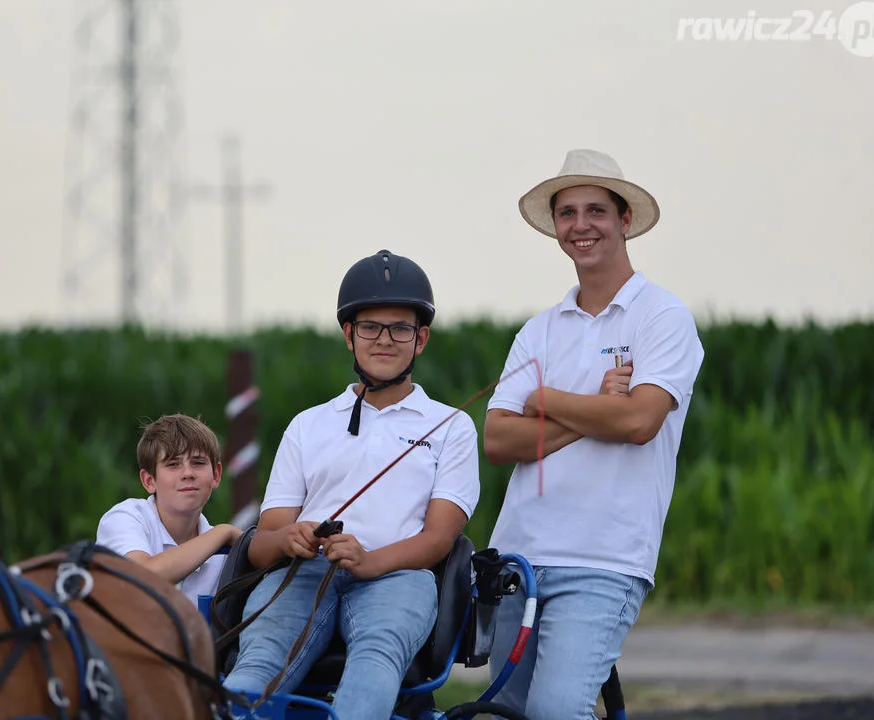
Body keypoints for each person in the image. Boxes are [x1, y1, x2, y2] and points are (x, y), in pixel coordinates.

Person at [482, 149, 705, 720]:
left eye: (596, 211)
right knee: (509, 712)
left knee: (557, 710)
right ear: (555, 227)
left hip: (604, 559)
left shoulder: (662, 317)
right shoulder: (539, 329)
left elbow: (637, 423)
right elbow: (499, 442)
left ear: (625, 220)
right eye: (567, 214)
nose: (581, 226)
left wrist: (546, 399)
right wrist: (597, 408)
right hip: (517, 559)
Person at [222, 249, 481, 720]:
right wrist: (289, 538)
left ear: (420, 339)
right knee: (252, 668)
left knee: (376, 659)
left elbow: (439, 538)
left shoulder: (452, 426)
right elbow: (263, 545)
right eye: (369, 327)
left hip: (399, 578)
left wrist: (369, 561)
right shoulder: (307, 425)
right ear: (349, 335)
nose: (385, 340)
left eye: (400, 328)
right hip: (303, 576)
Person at [97, 413, 242, 612]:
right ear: (149, 481)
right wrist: (223, 532)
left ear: (216, 475)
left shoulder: (226, 555)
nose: (188, 473)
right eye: (173, 464)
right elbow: (142, 578)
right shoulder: (125, 517)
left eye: (198, 462)